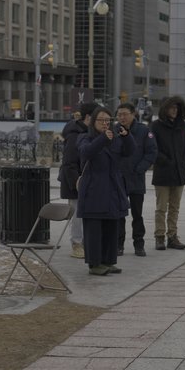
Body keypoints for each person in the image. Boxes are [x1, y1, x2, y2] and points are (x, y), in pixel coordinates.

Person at [77, 105, 131, 276]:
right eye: (101, 120)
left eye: (108, 120)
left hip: (113, 188)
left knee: (111, 227)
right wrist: (103, 139)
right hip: (94, 189)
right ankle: (94, 264)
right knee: (94, 229)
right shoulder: (84, 137)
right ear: (93, 121)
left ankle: (108, 261)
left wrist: (127, 136)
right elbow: (87, 152)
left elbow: (130, 151)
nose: (105, 123)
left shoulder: (115, 138)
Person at [151, 96, 185, 251]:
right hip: (163, 173)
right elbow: (153, 148)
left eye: (176, 108)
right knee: (161, 208)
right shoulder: (155, 126)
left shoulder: (181, 126)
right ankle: (159, 237)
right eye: (172, 108)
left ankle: (172, 236)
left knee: (175, 208)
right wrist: (166, 161)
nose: (174, 111)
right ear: (165, 109)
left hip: (179, 173)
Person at [117, 101, 157, 257]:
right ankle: (118, 244)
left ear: (133, 114)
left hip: (136, 178)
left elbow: (151, 152)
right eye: (119, 115)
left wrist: (140, 169)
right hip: (119, 179)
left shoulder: (143, 131)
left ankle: (139, 244)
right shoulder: (114, 130)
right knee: (119, 214)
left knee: (137, 214)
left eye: (125, 114)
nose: (122, 117)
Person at [59, 104, 93, 259]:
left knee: (86, 214)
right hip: (74, 181)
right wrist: (77, 182)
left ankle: (86, 243)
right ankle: (77, 244)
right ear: (88, 117)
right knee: (77, 215)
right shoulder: (75, 134)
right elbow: (69, 162)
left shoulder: (88, 132)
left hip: (87, 180)